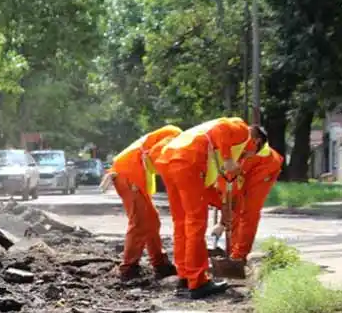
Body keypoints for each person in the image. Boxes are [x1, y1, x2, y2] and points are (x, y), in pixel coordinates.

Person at [153, 117, 259, 299]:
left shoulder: (204, 137)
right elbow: (222, 128)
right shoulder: (241, 129)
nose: (243, 160)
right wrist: (228, 159)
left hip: (169, 160)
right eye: (246, 156)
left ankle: (185, 277)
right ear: (255, 143)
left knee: (181, 222)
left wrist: (223, 207)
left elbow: (206, 187)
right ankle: (198, 281)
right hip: (188, 161)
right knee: (195, 222)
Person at [100, 125, 182, 281]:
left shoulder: (172, 134)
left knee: (152, 220)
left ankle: (160, 264)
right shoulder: (175, 137)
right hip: (128, 174)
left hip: (130, 173)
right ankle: (128, 268)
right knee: (140, 222)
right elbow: (157, 156)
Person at [210, 125, 282, 264]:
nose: (241, 148)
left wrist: (222, 223)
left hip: (263, 172)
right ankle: (231, 253)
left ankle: (239, 256)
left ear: (257, 142)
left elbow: (237, 193)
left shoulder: (267, 160)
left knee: (248, 211)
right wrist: (222, 223)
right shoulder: (237, 154)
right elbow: (229, 193)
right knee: (235, 208)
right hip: (244, 171)